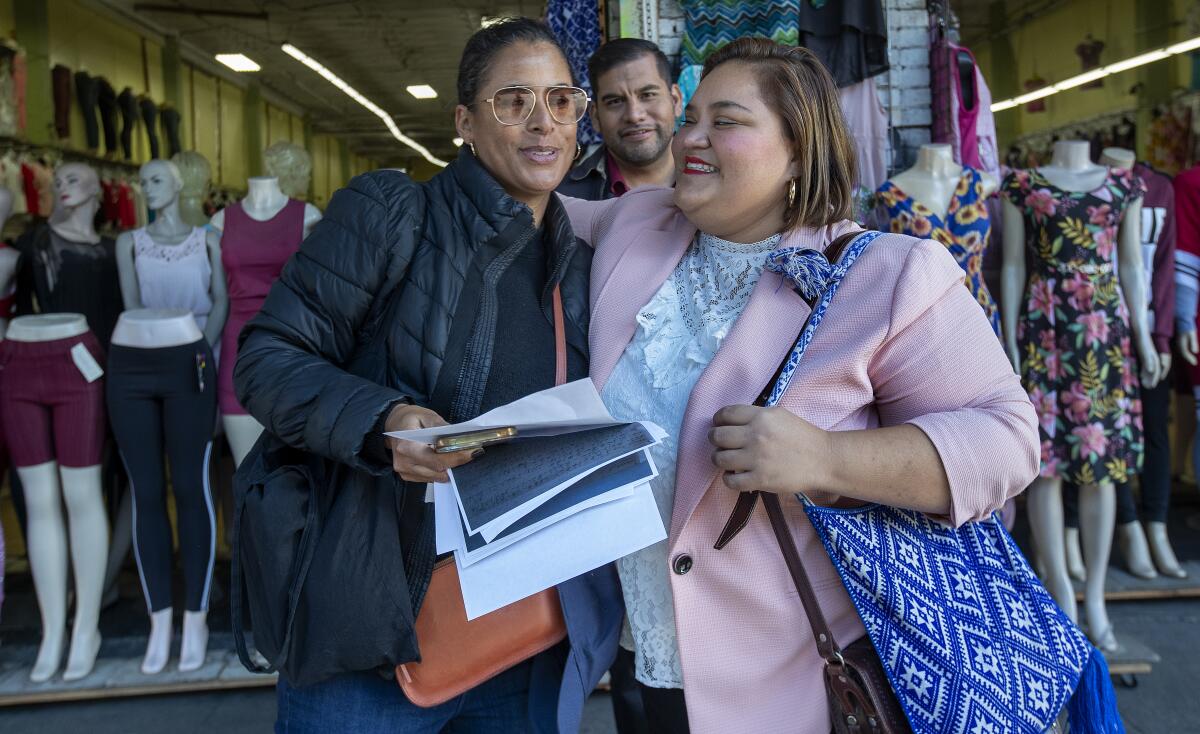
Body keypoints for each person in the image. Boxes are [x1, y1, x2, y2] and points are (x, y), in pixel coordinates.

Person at [561, 38, 1040, 732]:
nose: (689, 136)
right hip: (648, 661)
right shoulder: (638, 223)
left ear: (797, 151)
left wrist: (825, 459)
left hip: (806, 680)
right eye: (690, 116)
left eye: (724, 121)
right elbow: (516, 208)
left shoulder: (888, 275)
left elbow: (1008, 440)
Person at [234, 18, 621, 734]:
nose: (545, 124)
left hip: (521, 626)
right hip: (372, 630)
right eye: (514, 101)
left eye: (562, 100)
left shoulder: (583, 255)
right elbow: (266, 358)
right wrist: (385, 422)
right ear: (466, 122)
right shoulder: (391, 214)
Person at [558, 38, 682, 199]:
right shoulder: (565, 202)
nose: (634, 116)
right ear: (595, 116)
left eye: (648, 95)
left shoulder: (720, 180)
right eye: (615, 101)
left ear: (676, 100)